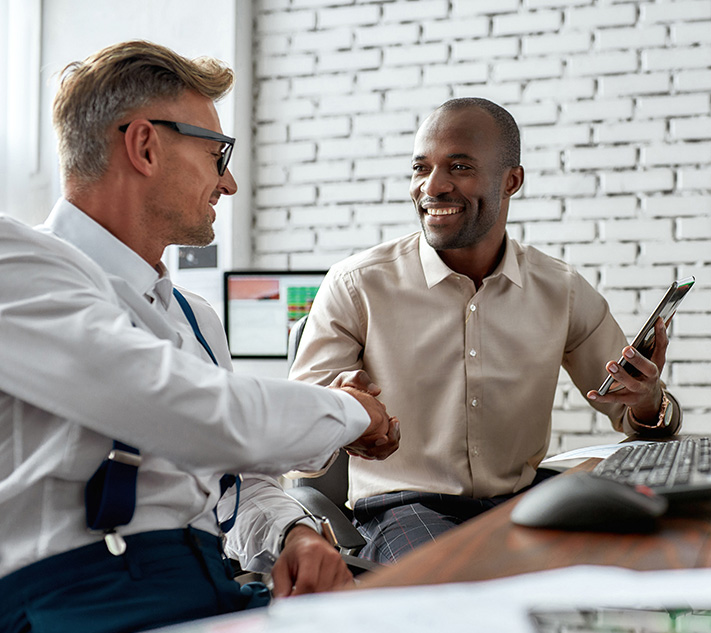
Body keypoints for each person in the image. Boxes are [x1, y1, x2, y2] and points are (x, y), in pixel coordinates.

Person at [0, 40, 398, 633]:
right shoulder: (15, 262)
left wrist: (295, 534)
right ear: (145, 145)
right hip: (75, 598)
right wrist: (351, 412)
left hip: (198, 582)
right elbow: (189, 410)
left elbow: (240, 483)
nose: (230, 181)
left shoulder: (196, 318)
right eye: (218, 154)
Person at [290, 97, 682, 564]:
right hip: (404, 506)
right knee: (458, 592)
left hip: (520, 502)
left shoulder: (563, 290)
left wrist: (645, 401)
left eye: (459, 166)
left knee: (647, 552)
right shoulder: (357, 285)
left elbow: (643, 415)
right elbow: (296, 429)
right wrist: (345, 420)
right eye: (421, 168)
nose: (432, 186)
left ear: (511, 181)